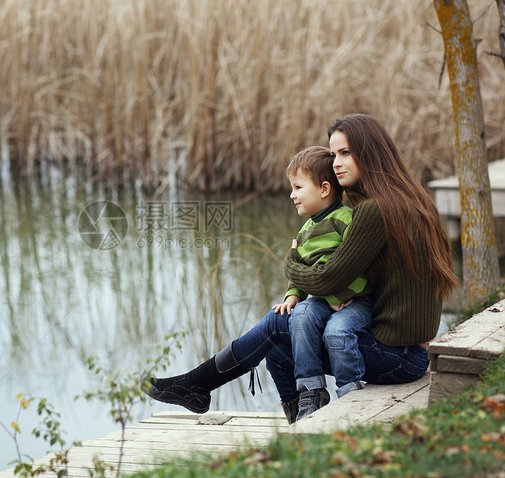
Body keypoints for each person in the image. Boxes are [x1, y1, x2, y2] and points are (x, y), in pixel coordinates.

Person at [142, 113, 458, 423]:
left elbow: (326, 278)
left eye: (345, 153)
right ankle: (299, 422)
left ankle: (198, 384)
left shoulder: (374, 211)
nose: (336, 163)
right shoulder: (411, 198)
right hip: (410, 352)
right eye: (334, 154)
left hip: (398, 360)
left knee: (277, 325)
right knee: (281, 343)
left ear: (371, 152)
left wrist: (292, 260)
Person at [271, 146, 372, 421]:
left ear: (325, 189)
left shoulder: (346, 220)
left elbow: (354, 265)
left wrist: (335, 293)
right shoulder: (305, 230)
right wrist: (293, 295)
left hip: (354, 301)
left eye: (298, 187)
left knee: (336, 333)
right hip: (324, 298)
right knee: (300, 315)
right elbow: (300, 270)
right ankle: (311, 389)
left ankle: (351, 394)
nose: (292, 195)